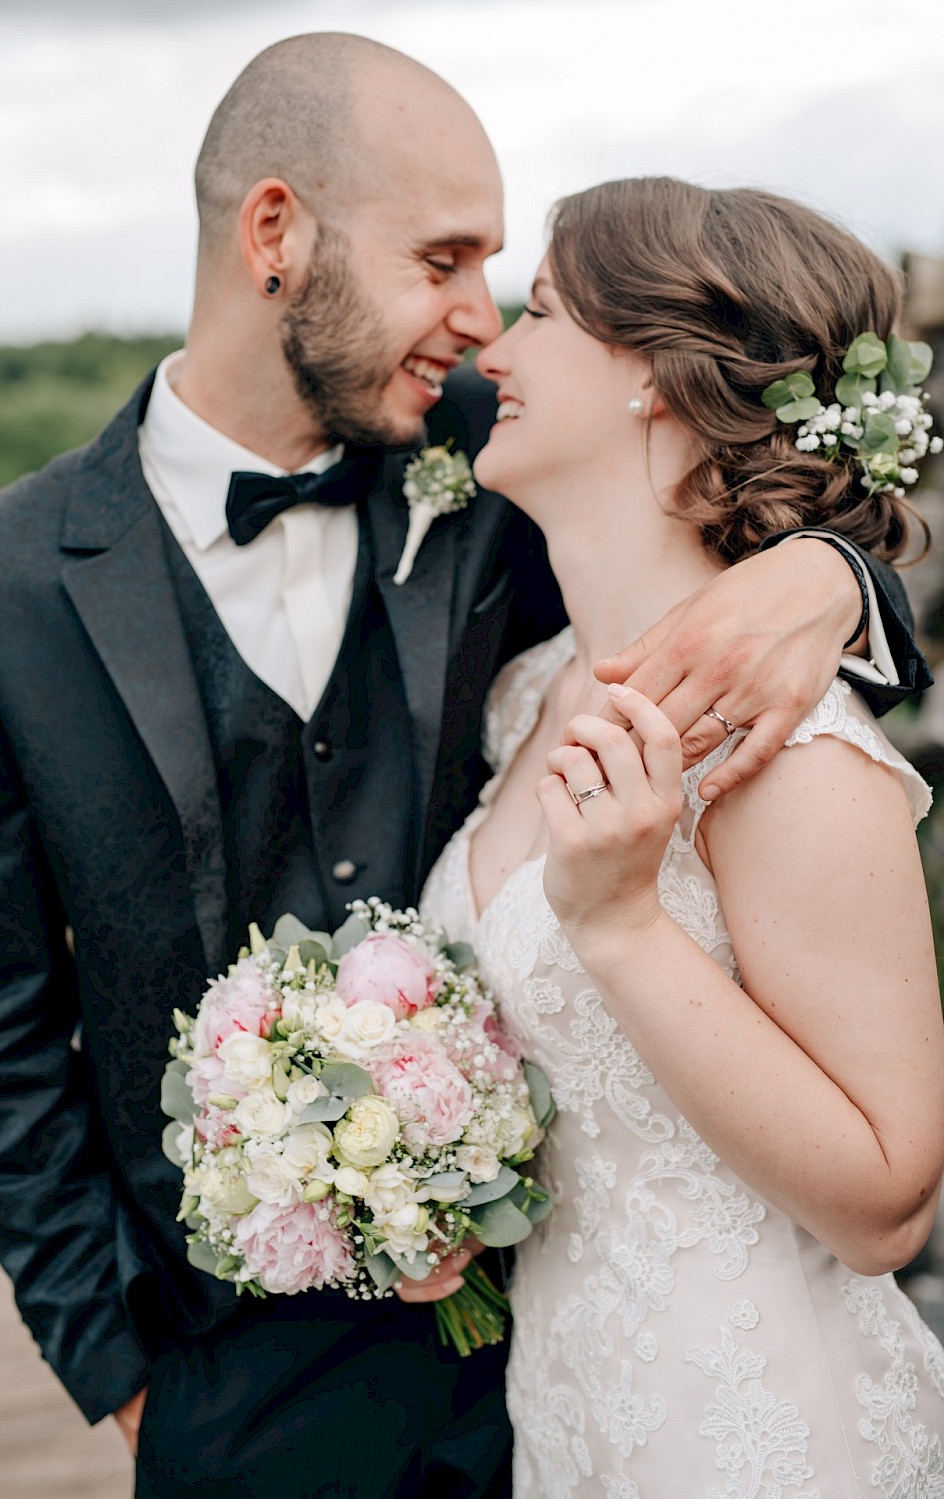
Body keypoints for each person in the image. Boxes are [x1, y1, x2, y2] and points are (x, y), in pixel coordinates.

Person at [0, 34, 927, 1499]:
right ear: (276, 233)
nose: (479, 323)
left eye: (509, 281)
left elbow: (750, 462)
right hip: (242, 1393)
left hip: (574, 1374)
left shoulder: (495, 460)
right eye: (446, 258)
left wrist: (832, 576)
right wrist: (120, 1375)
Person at [418, 177, 944, 1496]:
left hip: (758, 1431)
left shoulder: (791, 748)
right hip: (575, 1411)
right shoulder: (531, 690)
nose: (495, 351)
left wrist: (621, 925)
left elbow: (891, 1200)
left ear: (655, 374)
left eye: (538, 309)